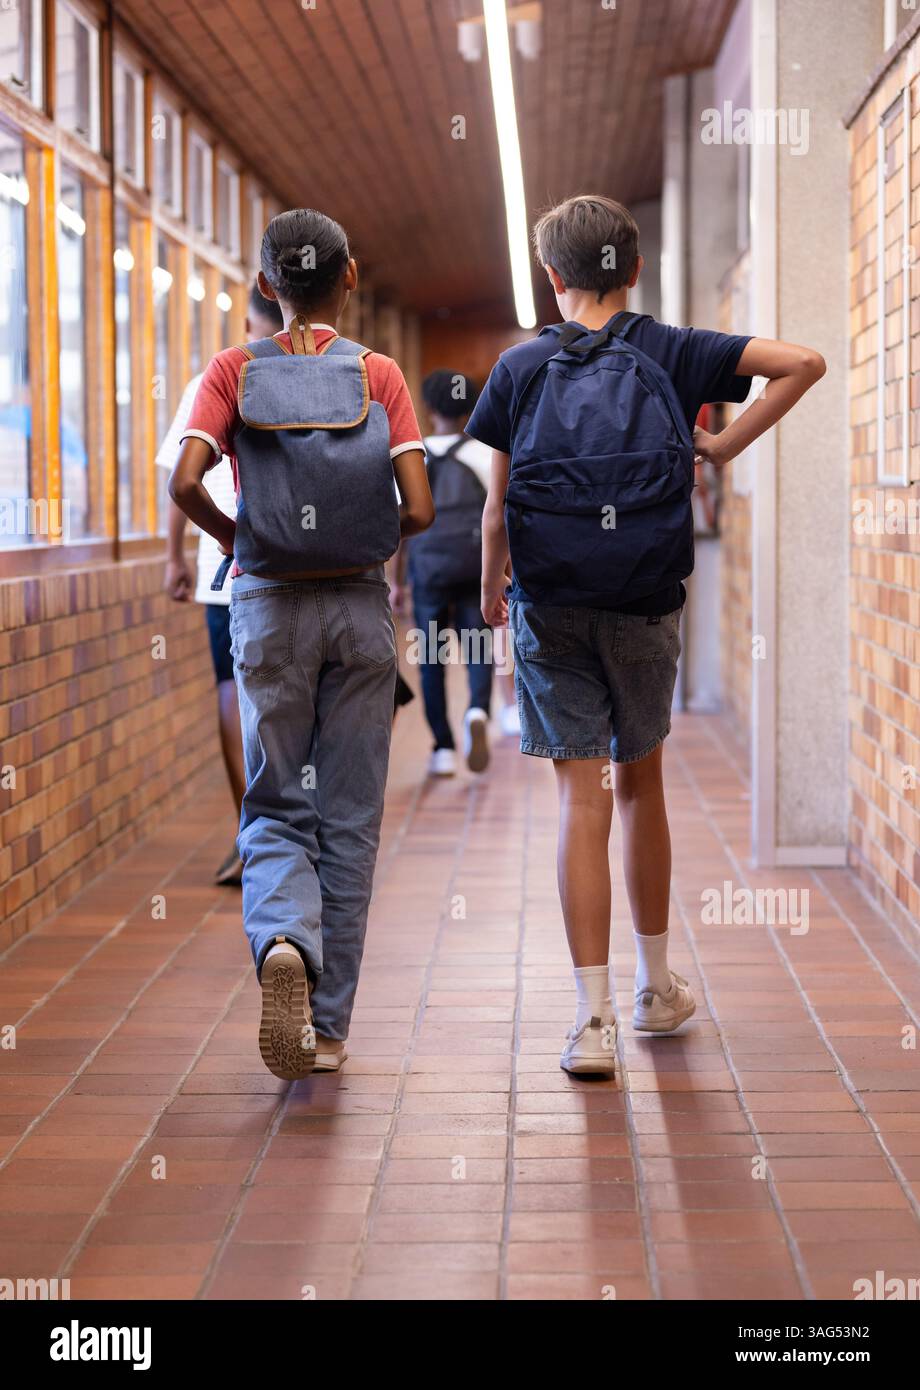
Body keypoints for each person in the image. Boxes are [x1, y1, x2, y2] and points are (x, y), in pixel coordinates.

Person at [469, 194, 826, 1076]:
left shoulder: (518, 368)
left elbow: (493, 508)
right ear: (630, 271)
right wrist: (722, 445)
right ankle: (655, 990)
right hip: (645, 595)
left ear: (554, 280)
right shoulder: (672, 348)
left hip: (549, 599)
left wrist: (490, 590)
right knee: (640, 784)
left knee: (577, 798)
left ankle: (590, 1026)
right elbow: (805, 362)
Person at [168, 209, 433, 1081]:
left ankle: (283, 936)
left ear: (267, 285)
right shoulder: (382, 375)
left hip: (268, 608)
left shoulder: (233, 370)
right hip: (358, 612)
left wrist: (238, 540)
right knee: (349, 818)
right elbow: (421, 511)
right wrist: (366, 546)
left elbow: (184, 481)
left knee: (276, 801)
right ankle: (325, 1027)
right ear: (349, 277)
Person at [158, 282, 283, 885]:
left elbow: (180, 479)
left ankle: (252, 833)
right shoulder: (351, 370)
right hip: (313, 573)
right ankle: (302, 833)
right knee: (304, 697)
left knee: (233, 691)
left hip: (227, 573)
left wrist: (180, 554)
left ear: (251, 314)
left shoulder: (215, 378)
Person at [395, 370, 495, 776]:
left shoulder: (409, 456)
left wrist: (398, 582)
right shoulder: (486, 453)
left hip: (428, 569)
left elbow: (402, 524)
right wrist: (500, 572)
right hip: (474, 566)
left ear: (430, 408)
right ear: (470, 407)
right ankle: (477, 711)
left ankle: (443, 749)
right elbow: (497, 519)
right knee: (478, 649)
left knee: (432, 658)